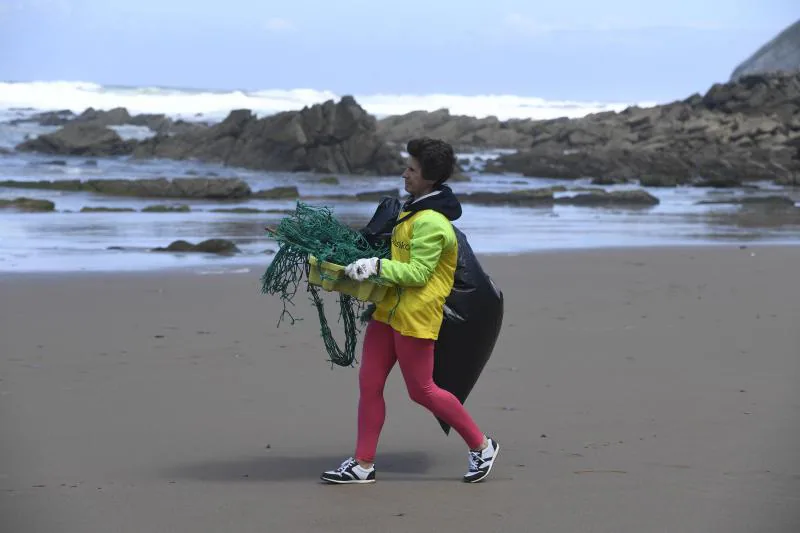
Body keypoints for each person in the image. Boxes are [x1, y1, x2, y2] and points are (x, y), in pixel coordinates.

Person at [320, 137, 499, 485]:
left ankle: (482, 446)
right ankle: (362, 464)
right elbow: (395, 256)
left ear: (429, 178)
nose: (405, 174)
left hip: (416, 316)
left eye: (412, 170)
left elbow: (417, 274)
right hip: (388, 310)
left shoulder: (432, 222)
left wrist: (376, 267)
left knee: (422, 391)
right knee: (369, 383)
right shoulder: (411, 209)